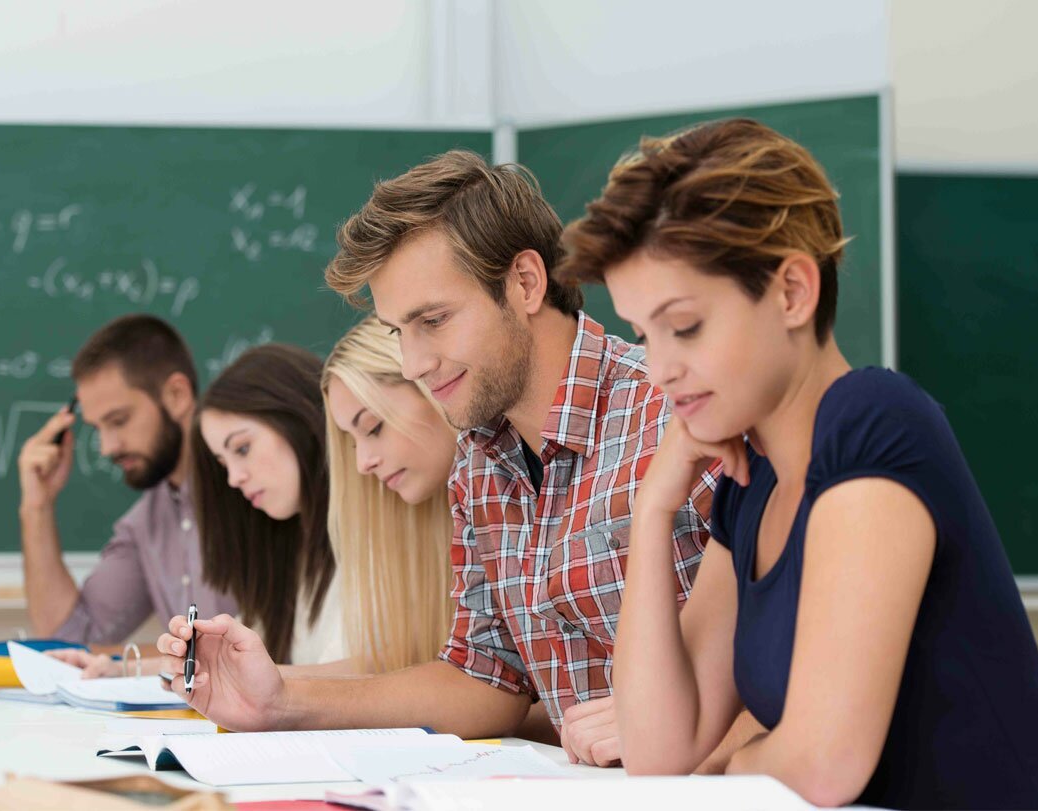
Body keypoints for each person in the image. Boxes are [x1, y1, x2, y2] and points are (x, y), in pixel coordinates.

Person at [556, 118, 1038, 809]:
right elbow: (659, 751)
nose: (658, 369)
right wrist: (652, 510)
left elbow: (822, 765)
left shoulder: (874, 421)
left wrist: (736, 759)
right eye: (643, 335)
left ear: (793, 291)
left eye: (686, 325)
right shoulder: (750, 485)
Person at [156, 151, 715, 761]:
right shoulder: (478, 460)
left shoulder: (674, 413)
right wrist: (280, 700)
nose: (415, 363)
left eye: (434, 320)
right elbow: (486, 680)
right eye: (400, 332)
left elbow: (794, 646)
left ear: (525, 283)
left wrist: (679, 722)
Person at [18, 314, 238, 647]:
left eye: (119, 420)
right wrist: (37, 507)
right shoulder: (147, 523)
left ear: (177, 395)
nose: (108, 448)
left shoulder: (256, 491)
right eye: (98, 429)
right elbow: (69, 638)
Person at [319, 316, 457, 675]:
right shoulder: (427, 534)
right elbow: (397, 664)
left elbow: (507, 696)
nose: (363, 464)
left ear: (433, 386)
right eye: (353, 442)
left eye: (372, 427)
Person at [192, 343, 344, 666]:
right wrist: (125, 667)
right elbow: (243, 659)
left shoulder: (370, 534)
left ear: (299, 418)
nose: (233, 478)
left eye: (242, 449)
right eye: (223, 463)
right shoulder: (286, 548)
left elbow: (362, 677)